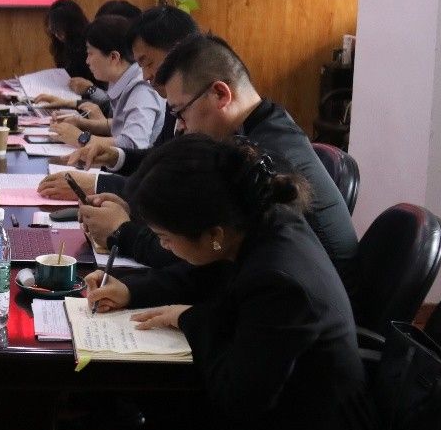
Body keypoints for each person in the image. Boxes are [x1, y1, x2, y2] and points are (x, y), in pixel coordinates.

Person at [88, 135, 383, 430]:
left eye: (165, 237)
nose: (163, 246)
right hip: (280, 421)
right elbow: (206, 275)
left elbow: (237, 397)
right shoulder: (260, 223)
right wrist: (132, 291)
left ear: (213, 233)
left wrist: (190, 320)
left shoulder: (279, 281)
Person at [70, 34, 360, 286]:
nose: (179, 126)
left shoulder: (266, 159)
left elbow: (208, 255)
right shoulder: (263, 124)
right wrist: (139, 213)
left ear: (220, 94)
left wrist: (122, 232)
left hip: (296, 309)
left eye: (181, 112)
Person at [39, 4, 197, 195]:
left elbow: (139, 147)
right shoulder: (170, 104)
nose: (145, 75)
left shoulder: (143, 90)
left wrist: (84, 140)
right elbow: (155, 158)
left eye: (148, 63)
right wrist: (113, 156)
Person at [48, 15, 164, 151]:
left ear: (113, 57)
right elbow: (121, 125)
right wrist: (80, 123)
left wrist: (80, 138)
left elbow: (133, 144)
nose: (87, 61)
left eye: (90, 53)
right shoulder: (124, 80)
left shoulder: (141, 90)